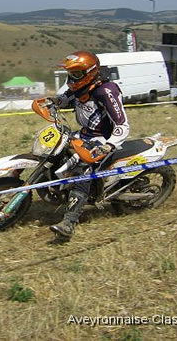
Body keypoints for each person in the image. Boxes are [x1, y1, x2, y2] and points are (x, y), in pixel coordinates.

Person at [48, 50, 130, 240]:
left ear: (90, 72)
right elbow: (65, 98)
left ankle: (69, 222)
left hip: (103, 139)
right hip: (84, 134)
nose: (72, 78)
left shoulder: (106, 90)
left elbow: (122, 125)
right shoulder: (81, 86)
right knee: (55, 152)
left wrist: (109, 145)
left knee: (82, 170)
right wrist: (53, 102)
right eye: (70, 73)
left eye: (76, 74)